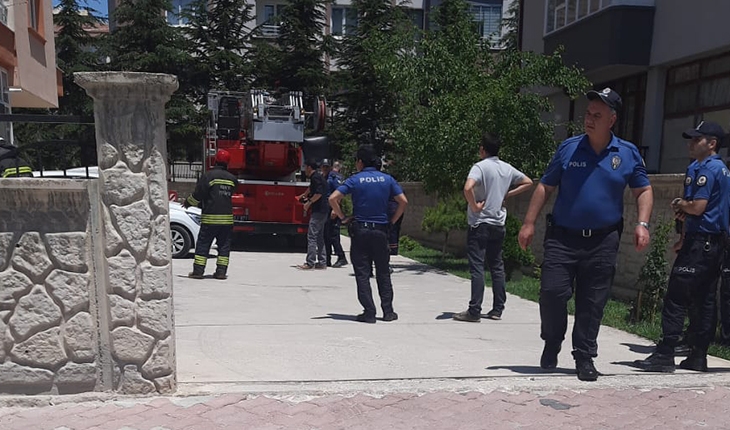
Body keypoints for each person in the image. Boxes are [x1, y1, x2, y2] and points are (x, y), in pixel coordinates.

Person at [517, 87, 653, 382]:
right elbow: (545, 186)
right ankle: (552, 340)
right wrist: (528, 223)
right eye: (588, 114)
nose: (589, 120)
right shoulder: (569, 148)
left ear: (612, 120)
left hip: (603, 240)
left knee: (592, 301)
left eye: (597, 115)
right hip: (562, 238)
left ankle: (584, 356)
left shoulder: (626, 153)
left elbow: (643, 190)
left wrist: (642, 224)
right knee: (552, 293)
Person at [635, 121, 729, 373]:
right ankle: (698, 355)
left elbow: (697, 207)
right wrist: (683, 232)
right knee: (704, 299)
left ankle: (665, 353)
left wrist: (680, 203)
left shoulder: (707, 169)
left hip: (701, 244)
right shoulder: (718, 169)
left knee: (677, 296)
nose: (691, 143)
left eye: (697, 139)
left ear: (712, 144)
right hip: (712, 243)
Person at [453, 132, 533, 323]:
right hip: (498, 223)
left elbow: (467, 188)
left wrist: (474, 206)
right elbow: (528, 182)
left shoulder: (480, 167)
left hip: (480, 223)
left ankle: (474, 310)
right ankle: (497, 309)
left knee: (477, 267)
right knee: (497, 266)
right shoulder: (506, 168)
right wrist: (507, 194)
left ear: (482, 149)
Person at [329, 144, 408, 323]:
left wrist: (343, 217)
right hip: (381, 230)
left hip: (361, 230)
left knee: (363, 273)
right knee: (383, 272)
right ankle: (388, 311)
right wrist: (392, 221)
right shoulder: (387, 179)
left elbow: (333, 198)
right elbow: (403, 201)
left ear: (360, 162)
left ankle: (369, 312)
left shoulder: (355, 179)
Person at [184, 149, 239, 279]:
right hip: (227, 220)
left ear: (216, 160)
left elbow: (199, 194)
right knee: (224, 247)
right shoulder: (232, 179)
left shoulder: (208, 176)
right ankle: (221, 272)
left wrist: (188, 203)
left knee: (203, 245)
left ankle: (198, 272)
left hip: (210, 219)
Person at [297, 159, 328, 270]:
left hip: (318, 210)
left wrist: (308, 203)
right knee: (319, 237)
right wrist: (303, 195)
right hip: (324, 210)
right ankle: (322, 262)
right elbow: (311, 188)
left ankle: (310, 263)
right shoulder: (318, 177)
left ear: (309, 167)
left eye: (305, 167)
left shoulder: (315, 177)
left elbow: (318, 193)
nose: (304, 169)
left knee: (312, 236)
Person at [321, 159, 348, 268]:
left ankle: (341, 257)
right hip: (325, 208)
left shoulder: (334, 177)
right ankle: (327, 259)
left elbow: (339, 194)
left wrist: (335, 209)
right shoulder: (323, 177)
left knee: (333, 235)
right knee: (326, 234)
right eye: (323, 166)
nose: (325, 168)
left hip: (332, 208)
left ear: (330, 167)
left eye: (327, 167)